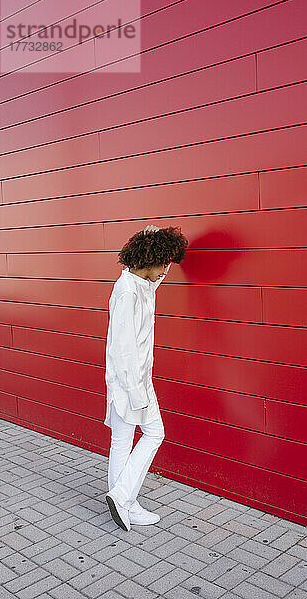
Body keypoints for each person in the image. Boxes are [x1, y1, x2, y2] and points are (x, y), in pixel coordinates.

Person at [104, 224, 188, 531]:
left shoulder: (140, 284)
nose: (165, 270)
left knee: (122, 440)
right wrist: (138, 393)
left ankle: (124, 501)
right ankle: (124, 496)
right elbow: (123, 351)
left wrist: (148, 236)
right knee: (154, 433)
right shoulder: (127, 292)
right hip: (130, 383)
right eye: (163, 262)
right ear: (148, 259)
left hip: (130, 382)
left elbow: (153, 283)